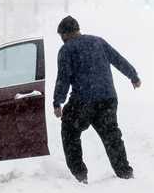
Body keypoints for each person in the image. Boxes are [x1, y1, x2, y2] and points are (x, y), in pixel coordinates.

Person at [52, 15, 141, 183]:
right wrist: (133, 76)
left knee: (70, 132)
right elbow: (117, 59)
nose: (62, 40)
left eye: (61, 36)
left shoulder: (67, 49)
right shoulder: (98, 41)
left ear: (65, 34)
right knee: (112, 136)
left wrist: (58, 102)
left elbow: (63, 78)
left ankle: (79, 175)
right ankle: (125, 173)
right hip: (107, 98)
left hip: (83, 101)